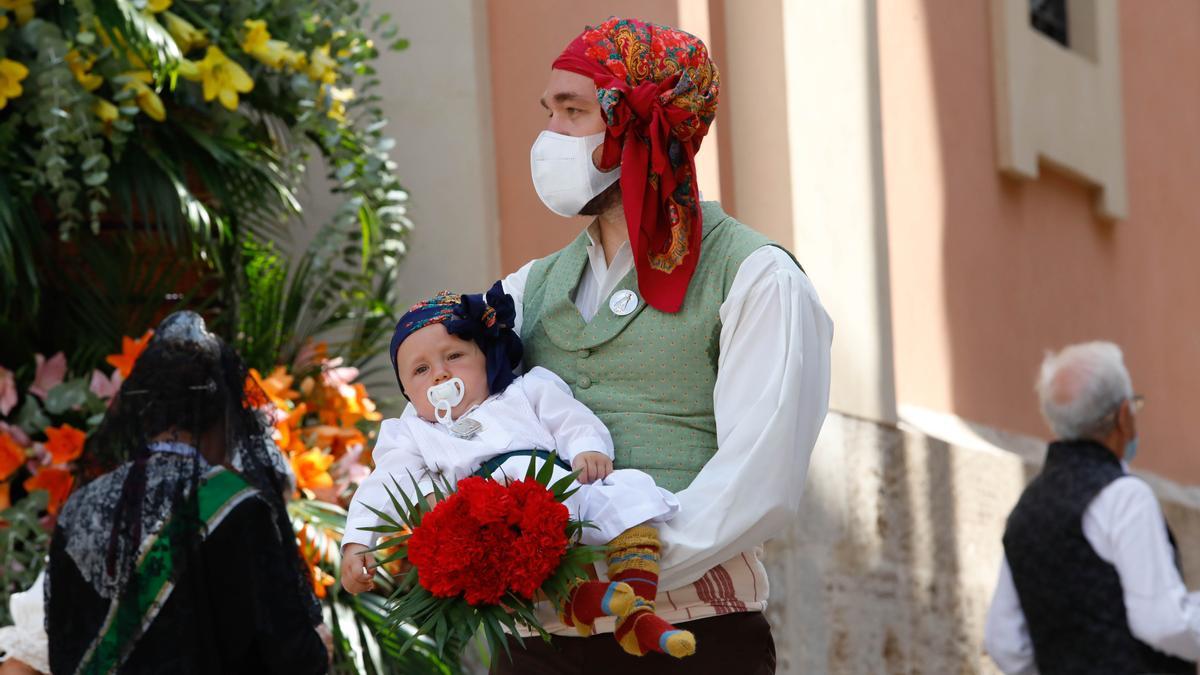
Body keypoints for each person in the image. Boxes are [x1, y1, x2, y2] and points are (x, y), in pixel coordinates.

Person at [497, 16, 833, 673]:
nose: (549, 136)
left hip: (689, 642)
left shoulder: (756, 276)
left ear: (639, 126)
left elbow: (757, 480)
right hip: (534, 648)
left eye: (573, 112)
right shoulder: (524, 289)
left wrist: (622, 576)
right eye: (549, 112)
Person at [341, 285, 698, 658]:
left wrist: (587, 449)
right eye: (421, 370)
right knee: (510, 552)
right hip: (497, 516)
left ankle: (637, 608)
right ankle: (574, 597)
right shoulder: (414, 433)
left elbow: (570, 420)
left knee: (631, 492)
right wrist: (357, 543)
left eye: (455, 356)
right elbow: (384, 483)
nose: (441, 375)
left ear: (486, 357)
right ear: (408, 394)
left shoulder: (525, 391)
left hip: (562, 488)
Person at [45, 311, 330, 674]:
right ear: (220, 415)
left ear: (144, 413)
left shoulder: (80, 505)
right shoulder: (237, 507)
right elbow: (289, 655)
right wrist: (320, 646)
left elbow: (62, 647)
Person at [984, 341, 1200, 674]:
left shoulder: (1028, 507)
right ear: (1124, 416)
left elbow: (1004, 640)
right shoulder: (1125, 497)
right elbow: (1163, 622)